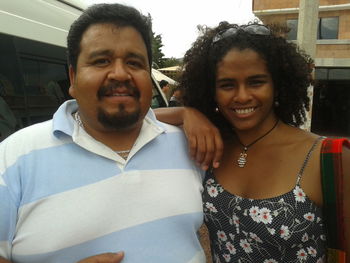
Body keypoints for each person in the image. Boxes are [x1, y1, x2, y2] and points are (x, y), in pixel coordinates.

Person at [0, 4, 214, 263]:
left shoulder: (188, 146)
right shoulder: (12, 157)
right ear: (72, 77)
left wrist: (186, 113)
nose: (121, 73)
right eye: (101, 61)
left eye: (134, 63)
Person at [155, 22, 350, 262]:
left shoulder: (327, 157)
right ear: (211, 91)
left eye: (256, 82)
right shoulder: (212, 146)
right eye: (227, 85)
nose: (242, 96)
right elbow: (135, 122)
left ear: (277, 85)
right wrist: (184, 113)